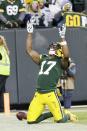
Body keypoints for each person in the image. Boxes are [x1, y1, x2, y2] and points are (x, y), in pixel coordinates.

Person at [16, 23, 77, 123]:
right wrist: (29, 33)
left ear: (60, 51)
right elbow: (29, 50)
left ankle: (67, 115)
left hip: (50, 94)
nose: (52, 48)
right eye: (51, 47)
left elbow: (66, 55)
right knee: (31, 121)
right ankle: (53, 113)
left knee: (61, 120)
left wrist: (62, 37)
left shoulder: (61, 62)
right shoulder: (43, 58)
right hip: (38, 94)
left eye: (55, 47)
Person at [0, 35, 10, 112]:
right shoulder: (4, 48)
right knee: (2, 90)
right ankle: (3, 108)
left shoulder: (1, 48)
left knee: (1, 90)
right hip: (5, 72)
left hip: (1, 72)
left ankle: (2, 108)